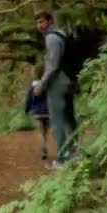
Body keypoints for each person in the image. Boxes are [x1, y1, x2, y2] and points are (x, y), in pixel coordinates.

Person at [33, 10, 78, 169]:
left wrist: (41, 85)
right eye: (37, 23)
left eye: (42, 22)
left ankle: (62, 158)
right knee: (69, 119)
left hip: (57, 84)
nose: (39, 26)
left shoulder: (51, 38)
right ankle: (74, 153)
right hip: (69, 81)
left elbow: (52, 66)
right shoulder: (62, 34)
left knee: (58, 122)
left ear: (50, 21)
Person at [24, 63, 50, 160]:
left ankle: (44, 145)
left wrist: (26, 109)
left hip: (37, 112)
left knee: (41, 130)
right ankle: (48, 143)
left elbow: (28, 99)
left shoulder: (32, 86)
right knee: (47, 129)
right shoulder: (47, 85)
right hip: (48, 111)